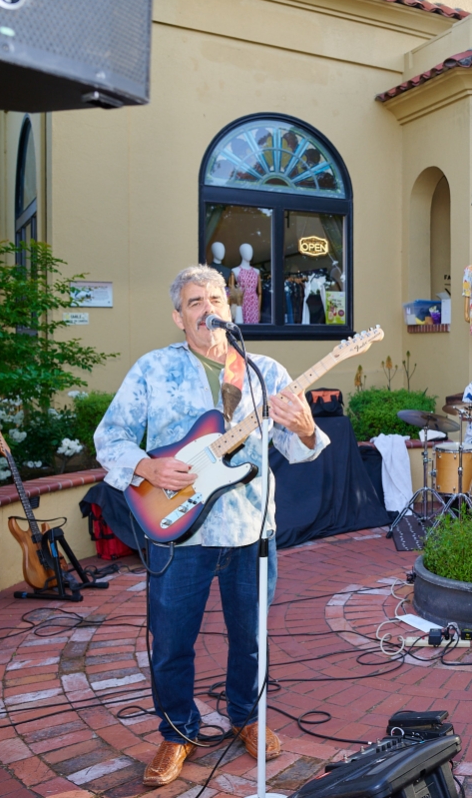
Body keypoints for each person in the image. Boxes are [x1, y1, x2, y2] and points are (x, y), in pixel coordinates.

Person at [94, 265, 328, 787]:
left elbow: (301, 448)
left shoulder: (264, 371)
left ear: (231, 308)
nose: (208, 309)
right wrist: (148, 467)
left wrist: (307, 428)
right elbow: (110, 438)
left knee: (251, 639)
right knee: (171, 641)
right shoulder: (153, 369)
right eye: (195, 301)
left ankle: (247, 716)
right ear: (179, 317)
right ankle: (178, 731)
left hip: (250, 529)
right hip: (179, 532)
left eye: (216, 299)